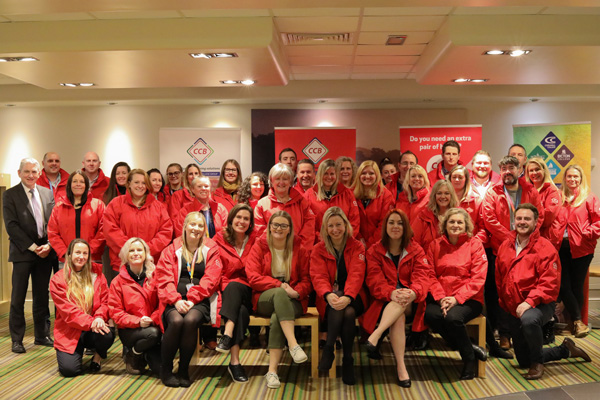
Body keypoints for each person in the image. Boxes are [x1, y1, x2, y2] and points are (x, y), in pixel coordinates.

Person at [495, 204, 591, 379]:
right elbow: (500, 278)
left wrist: (529, 302)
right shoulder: (505, 246)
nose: (522, 222)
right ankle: (565, 350)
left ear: (535, 222)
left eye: (527, 219)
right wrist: (505, 304)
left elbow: (549, 284)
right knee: (523, 360)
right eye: (519, 218)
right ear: (514, 221)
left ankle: (538, 364)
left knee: (529, 319)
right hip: (514, 307)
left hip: (540, 304)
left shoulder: (545, 248)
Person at [482, 155, 544, 350]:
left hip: (527, 249)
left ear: (519, 170)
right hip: (502, 249)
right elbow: (489, 219)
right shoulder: (493, 192)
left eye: (511, 168)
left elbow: (539, 216)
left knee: (523, 289)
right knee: (502, 292)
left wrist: (525, 237)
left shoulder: (530, 190)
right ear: (500, 172)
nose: (507, 171)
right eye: (504, 169)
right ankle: (504, 333)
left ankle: (523, 331)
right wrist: (510, 238)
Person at [363, 209, 430, 387]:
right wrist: (391, 293)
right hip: (383, 302)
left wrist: (413, 292)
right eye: (391, 222)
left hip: (412, 302)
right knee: (398, 316)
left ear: (406, 227)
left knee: (401, 304)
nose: (395, 226)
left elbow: (423, 277)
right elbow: (374, 280)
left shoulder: (416, 250)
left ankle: (376, 335)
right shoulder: (374, 251)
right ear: (385, 226)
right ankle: (401, 367)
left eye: (400, 223)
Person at [156, 212, 223, 387]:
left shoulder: (211, 248)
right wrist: (176, 300)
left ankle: (184, 369)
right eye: (192, 224)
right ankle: (166, 369)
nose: (196, 228)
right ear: (185, 226)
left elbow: (211, 279)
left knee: (191, 320)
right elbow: (163, 278)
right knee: (176, 321)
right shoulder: (171, 249)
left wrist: (192, 299)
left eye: (200, 226)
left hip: (199, 300)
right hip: (173, 299)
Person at [246, 211, 312, 389]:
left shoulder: (299, 248)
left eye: (283, 225)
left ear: (289, 229)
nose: (278, 228)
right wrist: (279, 285)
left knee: (277, 317)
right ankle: (293, 344)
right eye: (275, 224)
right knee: (279, 293)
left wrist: (297, 292)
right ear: (269, 227)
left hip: (293, 299)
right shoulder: (259, 246)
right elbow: (253, 277)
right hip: (265, 297)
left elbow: (307, 279)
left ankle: (272, 371)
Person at [424, 208, 488, 380]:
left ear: (466, 226)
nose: (455, 225)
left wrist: (456, 299)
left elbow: (478, 278)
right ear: (445, 225)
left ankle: (468, 359)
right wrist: (440, 298)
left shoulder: (475, 245)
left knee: (453, 318)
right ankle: (470, 348)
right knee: (429, 314)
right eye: (452, 221)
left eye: (460, 222)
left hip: (469, 299)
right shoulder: (435, 245)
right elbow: (429, 274)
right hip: (442, 297)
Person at [3, 157, 57, 353]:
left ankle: (42, 335)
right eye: (27, 171)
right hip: (23, 252)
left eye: (34, 172)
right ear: (19, 173)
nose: (30, 175)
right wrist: (34, 247)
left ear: (39, 173)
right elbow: (12, 226)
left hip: (45, 253)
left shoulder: (47, 192)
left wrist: (49, 245)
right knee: (18, 296)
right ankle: (17, 339)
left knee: (42, 295)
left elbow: (53, 222)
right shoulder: (10, 195)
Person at [310, 207, 366, 385]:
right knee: (347, 313)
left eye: (339, 224)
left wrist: (347, 297)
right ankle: (348, 360)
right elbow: (318, 276)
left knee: (347, 305)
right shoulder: (318, 249)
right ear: (325, 229)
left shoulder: (357, 246)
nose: (335, 229)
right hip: (328, 299)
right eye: (331, 226)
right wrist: (327, 295)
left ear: (346, 225)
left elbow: (357, 275)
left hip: (354, 296)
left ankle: (329, 348)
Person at [49, 239, 114, 376]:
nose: (81, 257)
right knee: (70, 371)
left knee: (108, 334)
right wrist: (92, 322)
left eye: (85, 253)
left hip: (92, 328)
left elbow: (106, 301)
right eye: (77, 252)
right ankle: (76, 352)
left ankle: (97, 357)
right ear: (69, 254)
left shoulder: (97, 274)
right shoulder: (58, 279)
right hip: (70, 331)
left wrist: (99, 317)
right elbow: (69, 313)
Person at [553, 165, 600, 337]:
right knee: (563, 286)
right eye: (569, 176)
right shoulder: (559, 197)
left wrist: (586, 234)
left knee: (577, 286)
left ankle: (577, 323)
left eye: (576, 176)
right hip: (561, 247)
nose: (572, 179)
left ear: (581, 178)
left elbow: (598, 222)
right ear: (565, 178)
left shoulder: (589, 197)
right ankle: (577, 321)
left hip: (582, 248)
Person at [213, 204, 258, 383]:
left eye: (246, 218)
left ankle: (227, 334)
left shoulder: (257, 239)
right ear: (231, 220)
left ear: (251, 223)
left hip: (251, 290)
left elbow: (258, 270)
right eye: (238, 217)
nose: (242, 221)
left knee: (235, 286)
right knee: (239, 311)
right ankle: (235, 362)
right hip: (228, 293)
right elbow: (215, 269)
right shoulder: (219, 239)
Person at [103, 169, 173, 277]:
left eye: (144, 183)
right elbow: (110, 231)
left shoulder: (158, 207)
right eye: (136, 182)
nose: (140, 186)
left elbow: (165, 232)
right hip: (121, 264)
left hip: (150, 264)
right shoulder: (116, 204)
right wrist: (131, 249)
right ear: (129, 184)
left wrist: (145, 250)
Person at [108, 237, 161, 375]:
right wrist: (138, 322)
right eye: (131, 251)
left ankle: (143, 353)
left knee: (160, 369)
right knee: (153, 334)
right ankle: (133, 354)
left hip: (153, 324)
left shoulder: (156, 277)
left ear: (145, 253)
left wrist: (153, 319)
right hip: (130, 330)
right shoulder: (117, 282)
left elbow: (162, 303)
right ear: (126, 255)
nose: (136, 253)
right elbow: (116, 312)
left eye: (139, 250)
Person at [48, 171, 106, 266]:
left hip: (91, 259)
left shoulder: (98, 205)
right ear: (69, 185)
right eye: (74, 181)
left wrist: (87, 251)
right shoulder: (59, 207)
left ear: (86, 185)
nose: (78, 184)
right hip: (66, 260)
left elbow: (103, 231)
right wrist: (65, 253)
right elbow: (53, 233)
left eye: (81, 182)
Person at [254, 163, 315, 249]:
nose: (281, 182)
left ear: (290, 181)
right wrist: (276, 250)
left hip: (298, 252)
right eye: (277, 179)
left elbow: (309, 231)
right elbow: (260, 233)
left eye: (285, 179)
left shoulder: (301, 202)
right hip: (271, 252)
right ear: (271, 181)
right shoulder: (262, 205)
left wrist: (299, 250)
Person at [305, 158, 360, 243]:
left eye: (332, 174)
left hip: (344, 244)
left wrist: (343, 240)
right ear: (320, 174)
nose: (329, 177)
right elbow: (307, 224)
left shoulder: (347, 194)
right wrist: (322, 240)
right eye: (326, 174)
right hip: (319, 244)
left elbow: (354, 221)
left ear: (336, 175)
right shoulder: (309, 195)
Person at [353, 160, 394, 248]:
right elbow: (350, 220)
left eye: (371, 173)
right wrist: (359, 238)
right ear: (359, 175)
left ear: (377, 175)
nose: (367, 176)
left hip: (379, 245)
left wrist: (369, 244)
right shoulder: (351, 194)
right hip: (356, 244)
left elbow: (384, 223)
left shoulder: (386, 195)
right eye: (364, 173)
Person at [412, 180, 458, 248]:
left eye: (446, 193)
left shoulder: (459, 216)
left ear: (451, 196)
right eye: (439, 193)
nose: (443, 196)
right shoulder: (423, 216)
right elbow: (413, 243)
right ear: (434, 196)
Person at [525, 157, 562, 240]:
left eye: (537, 169)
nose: (534, 173)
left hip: (547, 238)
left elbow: (548, 217)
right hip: (530, 236)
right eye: (531, 170)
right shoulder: (527, 191)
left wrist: (528, 220)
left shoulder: (552, 190)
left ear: (544, 170)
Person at [449, 165, 487, 242]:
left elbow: (483, 229)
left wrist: (473, 244)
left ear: (466, 180)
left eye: (460, 177)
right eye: (454, 177)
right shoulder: (444, 199)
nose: (457, 180)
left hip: (470, 244)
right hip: (448, 244)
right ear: (450, 179)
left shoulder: (476, 200)